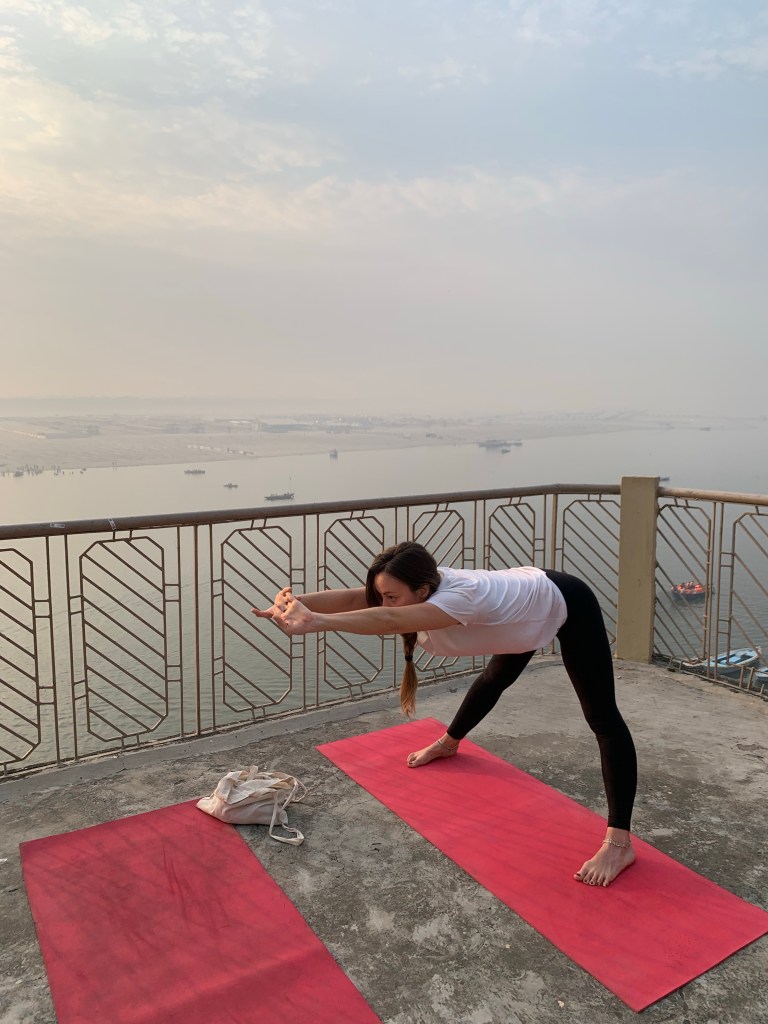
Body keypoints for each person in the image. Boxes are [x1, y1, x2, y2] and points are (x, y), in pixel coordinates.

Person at [253, 541, 637, 887]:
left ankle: (619, 844)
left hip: (565, 603)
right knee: (493, 679)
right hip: (520, 607)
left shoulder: (460, 599)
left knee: (602, 719)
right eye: (382, 595)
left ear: (423, 591)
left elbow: (387, 621)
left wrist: (316, 621)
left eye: (391, 596)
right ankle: (450, 743)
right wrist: (295, 603)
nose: (382, 602)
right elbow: (361, 599)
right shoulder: (422, 586)